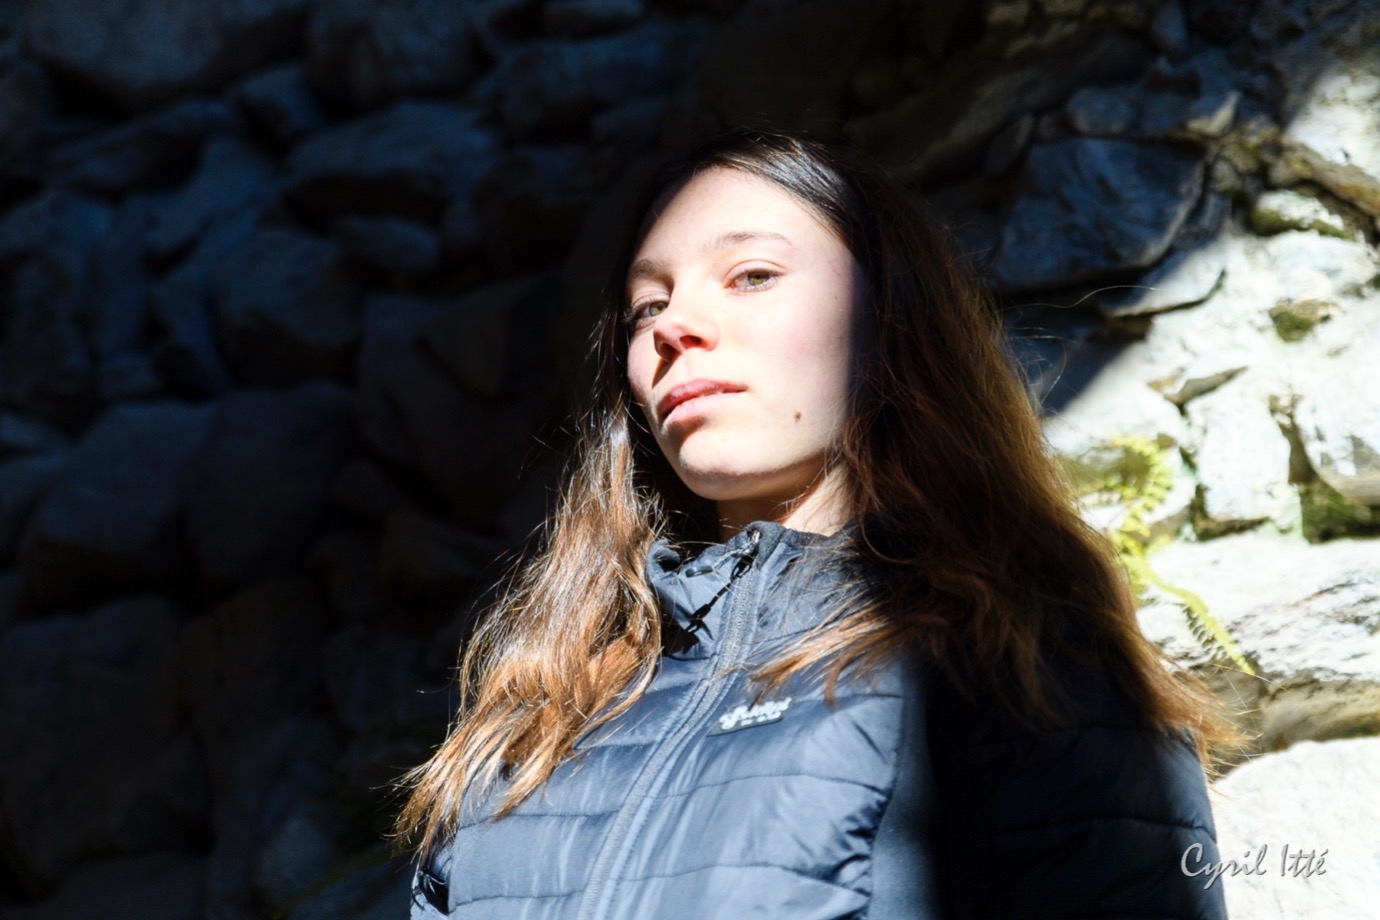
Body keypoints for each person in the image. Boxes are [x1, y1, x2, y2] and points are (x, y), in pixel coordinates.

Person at [395, 128, 1241, 919]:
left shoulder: (1021, 662)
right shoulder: (534, 719)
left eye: (752, 275)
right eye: (647, 307)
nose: (674, 327)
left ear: (893, 319)